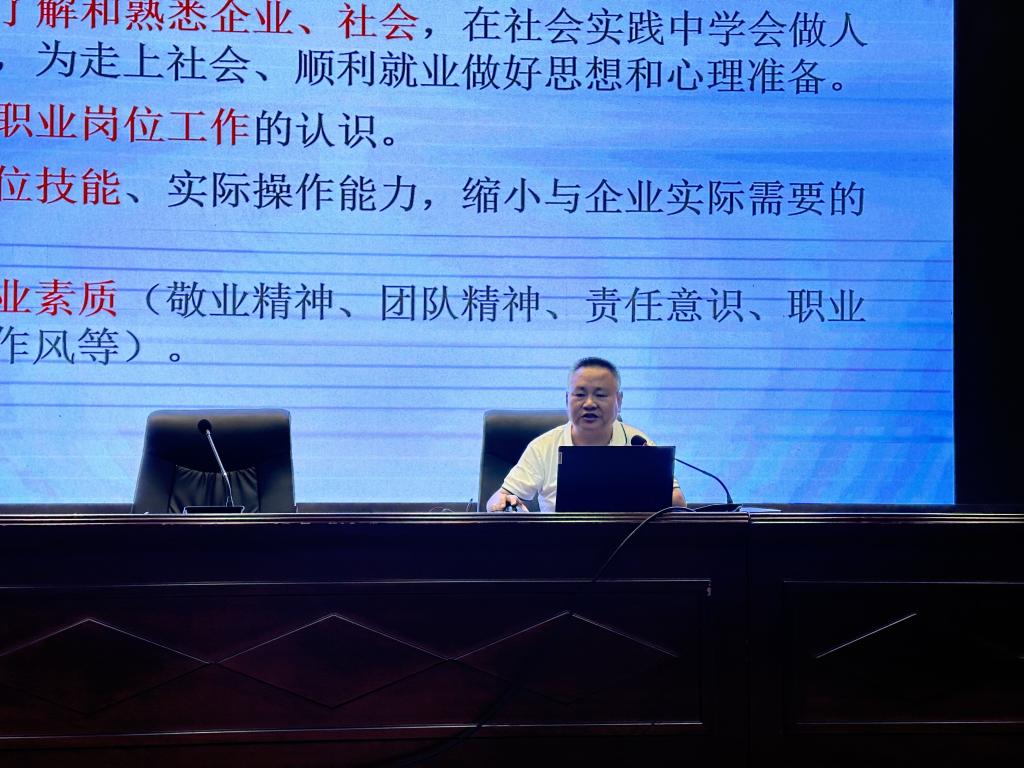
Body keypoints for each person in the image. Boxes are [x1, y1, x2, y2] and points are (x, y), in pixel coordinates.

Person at [486, 357, 685, 512]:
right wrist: (503, 502)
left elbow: (677, 502)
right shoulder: (544, 446)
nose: (589, 404)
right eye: (580, 394)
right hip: (558, 544)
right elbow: (497, 499)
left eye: (600, 395)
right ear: (567, 399)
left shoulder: (637, 443)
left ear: (619, 400)